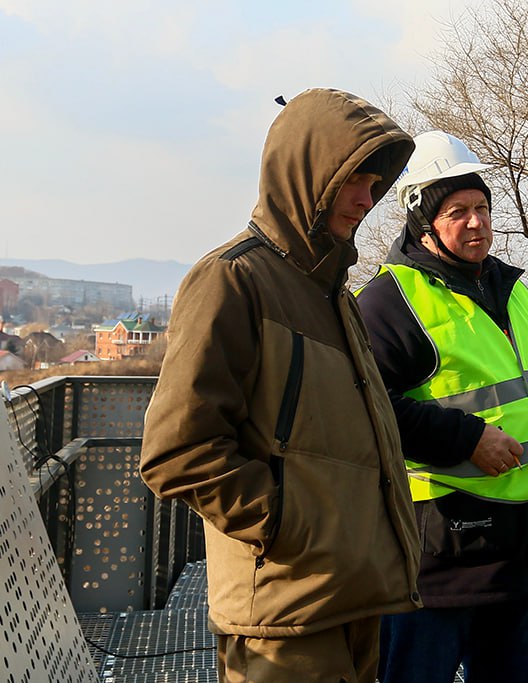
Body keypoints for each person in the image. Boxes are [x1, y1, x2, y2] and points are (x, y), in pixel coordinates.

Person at [139, 89, 422, 683]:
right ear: (306, 175)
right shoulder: (232, 280)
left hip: (354, 598)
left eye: (376, 184)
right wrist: (287, 524)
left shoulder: (332, 292)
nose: (366, 200)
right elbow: (177, 451)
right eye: (353, 180)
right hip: (285, 615)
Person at [355, 130, 528, 683]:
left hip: (520, 548)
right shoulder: (390, 301)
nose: (476, 222)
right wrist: (465, 439)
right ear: (423, 221)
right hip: (438, 558)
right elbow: (367, 407)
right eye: (457, 211)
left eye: (482, 208)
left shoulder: (514, 291)